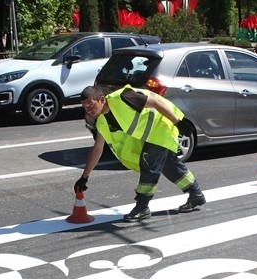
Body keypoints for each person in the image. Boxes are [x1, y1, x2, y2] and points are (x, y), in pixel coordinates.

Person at [75, 85, 206, 223]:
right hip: (151, 136)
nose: (88, 109)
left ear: (101, 100)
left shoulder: (123, 98)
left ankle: (142, 207)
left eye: (90, 104)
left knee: (149, 164)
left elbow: (155, 102)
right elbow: (97, 149)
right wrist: (84, 177)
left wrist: (178, 122)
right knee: (169, 164)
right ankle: (196, 194)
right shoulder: (102, 122)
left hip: (161, 126)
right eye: (84, 107)